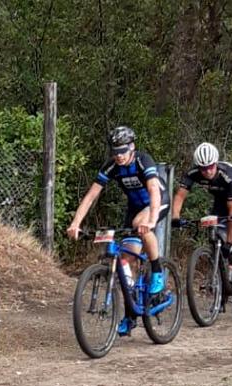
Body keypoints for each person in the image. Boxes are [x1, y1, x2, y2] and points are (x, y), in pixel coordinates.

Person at [66, 126, 168, 336]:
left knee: (141, 224)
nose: (118, 156)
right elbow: (91, 196)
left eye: (122, 151)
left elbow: (153, 190)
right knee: (124, 260)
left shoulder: (143, 160)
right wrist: (76, 223)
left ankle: (157, 271)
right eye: (114, 152)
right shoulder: (112, 166)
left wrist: (152, 219)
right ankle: (131, 314)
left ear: (132, 147)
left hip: (158, 201)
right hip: (134, 208)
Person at [171, 142, 232, 274]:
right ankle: (221, 273)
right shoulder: (193, 173)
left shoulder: (229, 175)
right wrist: (175, 217)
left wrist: (230, 241)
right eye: (203, 168)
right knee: (214, 232)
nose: (207, 171)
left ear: (216, 163)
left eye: (211, 166)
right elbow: (180, 196)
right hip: (221, 200)